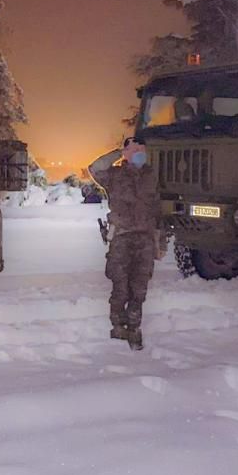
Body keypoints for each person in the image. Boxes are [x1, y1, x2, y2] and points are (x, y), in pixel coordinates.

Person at [88, 136, 157, 350]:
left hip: (145, 239)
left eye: (142, 149)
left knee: (139, 289)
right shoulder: (115, 175)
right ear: (126, 153)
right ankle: (118, 327)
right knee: (120, 287)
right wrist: (120, 153)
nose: (140, 153)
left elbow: (157, 206)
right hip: (121, 239)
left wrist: (159, 238)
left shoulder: (151, 175)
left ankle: (134, 329)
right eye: (135, 149)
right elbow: (95, 167)